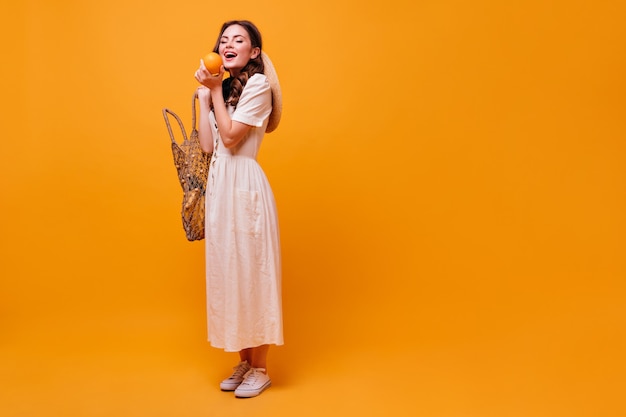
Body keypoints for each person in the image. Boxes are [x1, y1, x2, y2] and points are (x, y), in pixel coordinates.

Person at [193, 20, 283, 398]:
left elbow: (232, 138)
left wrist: (213, 92)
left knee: (253, 271)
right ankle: (245, 361)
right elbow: (210, 146)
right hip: (220, 186)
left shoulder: (259, 86)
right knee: (231, 270)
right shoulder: (225, 88)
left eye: (238, 40)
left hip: (245, 186)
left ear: (254, 52)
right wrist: (205, 97)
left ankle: (260, 367)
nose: (228, 44)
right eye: (223, 39)